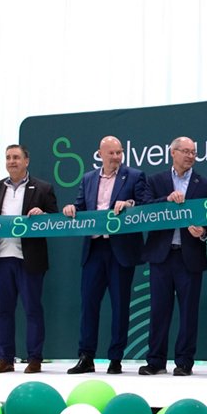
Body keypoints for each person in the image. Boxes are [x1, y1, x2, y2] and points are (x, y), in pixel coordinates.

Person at [62, 136, 148, 375]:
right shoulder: (88, 179)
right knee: (89, 305)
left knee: (120, 306)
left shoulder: (134, 175)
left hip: (120, 250)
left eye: (119, 152)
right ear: (100, 154)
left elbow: (144, 204)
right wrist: (72, 208)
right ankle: (86, 356)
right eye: (112, 153)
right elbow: (80, 206)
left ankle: (115, 358)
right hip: (94, 249)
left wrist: (129, 203)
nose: (117, 157)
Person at [140, 137, 207, 376]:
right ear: (173, 153)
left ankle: (184, 362)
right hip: (162, 256)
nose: (190, 156)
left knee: (188, 312)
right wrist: (166, 200)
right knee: (158, 311)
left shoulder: (205, 184)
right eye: (186, 151)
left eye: (194, 152)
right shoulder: (156, 180)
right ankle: (155, 361)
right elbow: (145, 208)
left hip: (189, 256)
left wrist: (205, 231)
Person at [0, 144, 57, 374]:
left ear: (26, 161)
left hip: (29, 259)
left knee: (32, 309)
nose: (11, 161)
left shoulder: (43, 188)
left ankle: (35, 358)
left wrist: (42, 216)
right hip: (1, 258)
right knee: (3, 311)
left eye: (16, 157)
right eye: (8, 158)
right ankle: (5, 358)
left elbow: (56, 221)